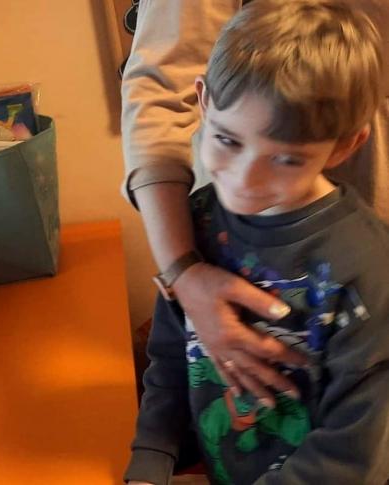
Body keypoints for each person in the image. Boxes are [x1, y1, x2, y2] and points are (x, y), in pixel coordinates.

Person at [123, 1, 389, 483]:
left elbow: (351, 452)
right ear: (203, 101)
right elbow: (171, 359)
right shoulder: (195, 222)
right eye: (227, 140)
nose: (245, 181)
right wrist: (152, 457)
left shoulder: (369, 268)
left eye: (286, 160)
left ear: (346, 145)